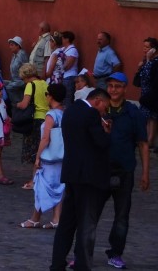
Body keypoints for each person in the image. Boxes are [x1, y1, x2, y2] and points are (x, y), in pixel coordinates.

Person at [49, 89, 112, 271]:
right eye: (104, 108)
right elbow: (101, 142)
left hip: (71, 173)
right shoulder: (91, 113)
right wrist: (107, 132)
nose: (103, 112)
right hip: (88, 176)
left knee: (67, 223)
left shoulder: (71, 110)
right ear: (98, 101)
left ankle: (57, 263)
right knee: (86, 224)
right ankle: (83, 265)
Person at [97, 72, 149, 270]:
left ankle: (115, 253)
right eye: (110, 86)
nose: (113, 90)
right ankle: (83, 252)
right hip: (100, 170)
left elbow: (143, 144)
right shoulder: (100, 109)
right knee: (91, 214)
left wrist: (145, 173)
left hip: (124, 171)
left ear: (125, 88)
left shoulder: (134, 113)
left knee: (122, 216)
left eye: (117, 86)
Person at [20, 83, 67, 229]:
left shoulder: (51, 115)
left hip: (49, 158)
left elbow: (45, 138)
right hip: (61, 157)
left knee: (41, 187)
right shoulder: (64, 113)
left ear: (50, 96)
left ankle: (35, 218)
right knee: (59, 187)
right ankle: (56, 218)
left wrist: (37, 157)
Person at [15, 63, 50, 189]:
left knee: (34, 152)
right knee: (43, 150)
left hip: (35, 120)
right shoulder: (45, 84)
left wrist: (17, 105)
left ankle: (34, 180)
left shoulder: (30, 85)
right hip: (46, 119)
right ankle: (42, 178)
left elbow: (24, 104)